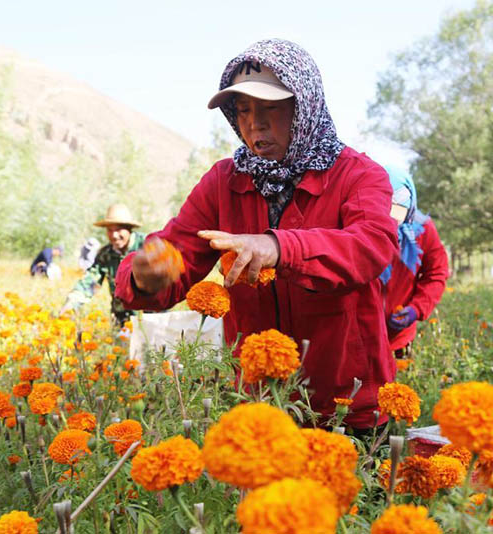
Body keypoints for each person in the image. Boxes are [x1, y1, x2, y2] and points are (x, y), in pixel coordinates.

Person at [114, 39, 398, 431]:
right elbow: (176, 250)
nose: (254, 123)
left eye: (270, 108)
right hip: (261, 405)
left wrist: (278, 247)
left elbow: (371, 246)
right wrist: (144, 275)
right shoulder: (223, 182)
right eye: (242, 110)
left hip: (346, 408)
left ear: (304, 107)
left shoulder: (359, 175)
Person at [381, 168, 449, 359]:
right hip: (357, 335)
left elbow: (436, 274)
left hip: (399, 337)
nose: (393, 217)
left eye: (400, 206)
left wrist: (416, 308)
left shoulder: (423, 230)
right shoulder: (357, 223)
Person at [60, 204, 146, 327]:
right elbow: (91, 281)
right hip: (122, 319)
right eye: (110, 230)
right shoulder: (105, 254)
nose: (114, 235)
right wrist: (71, 303)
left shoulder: (147, 246)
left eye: (118, 229)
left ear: (129, 228)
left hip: (150, 318)